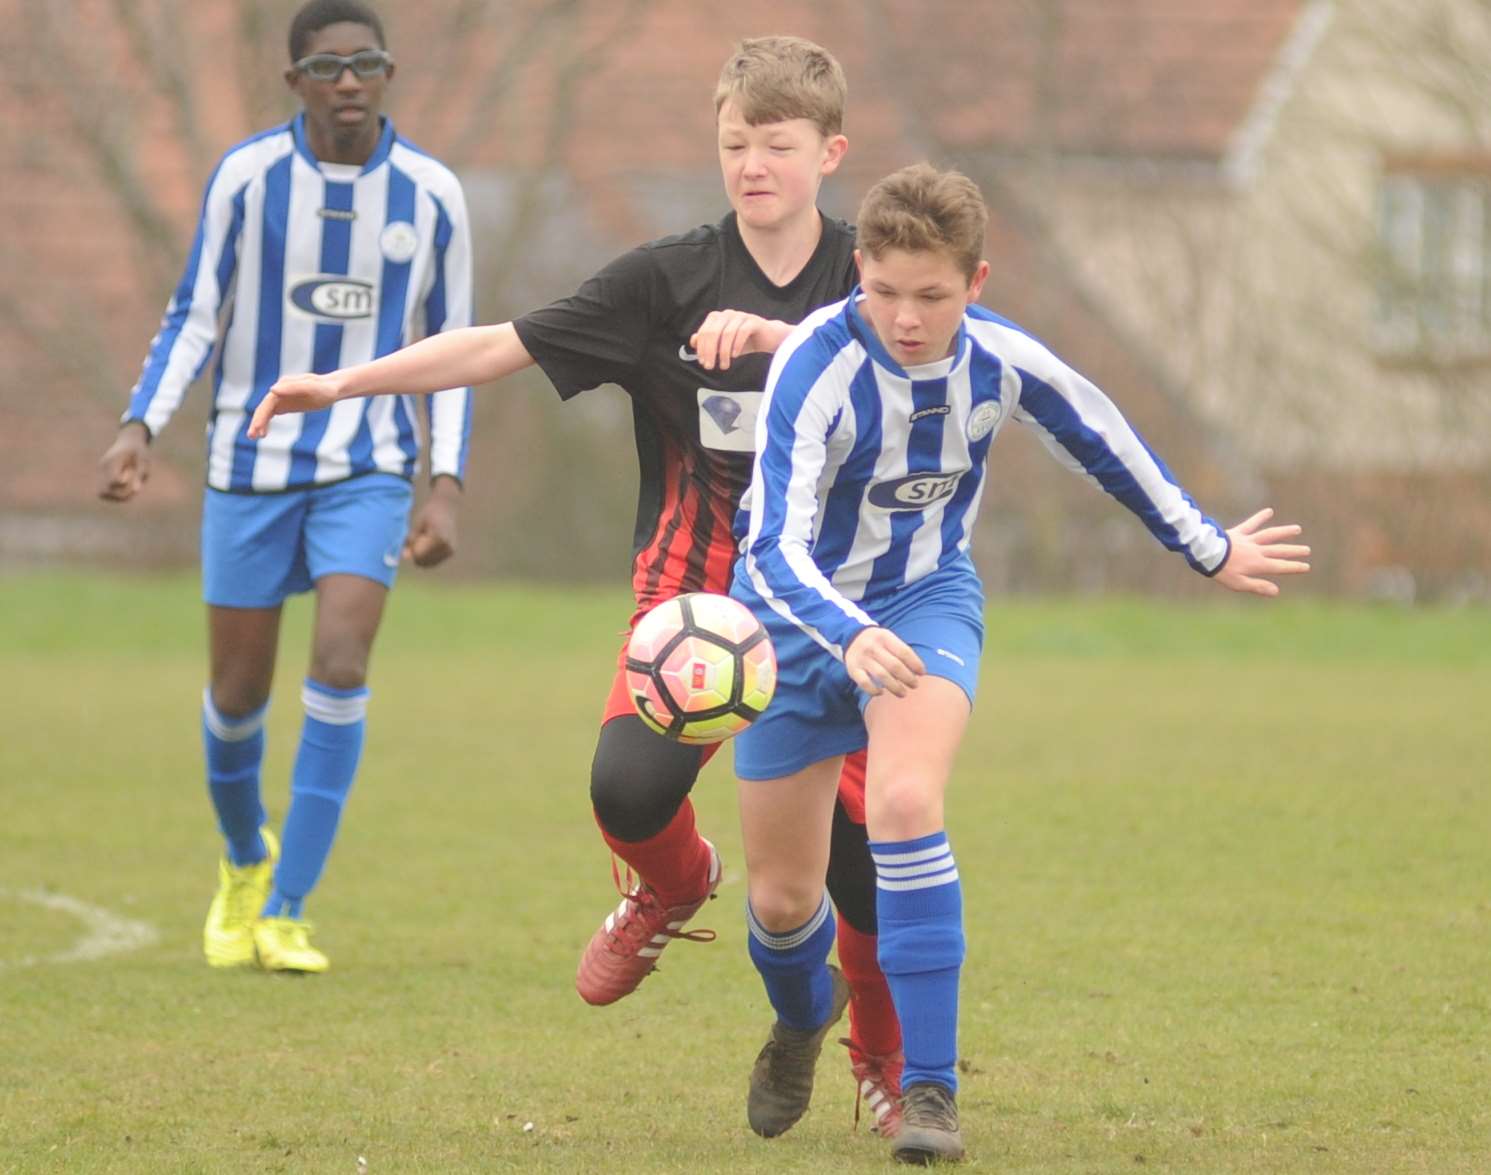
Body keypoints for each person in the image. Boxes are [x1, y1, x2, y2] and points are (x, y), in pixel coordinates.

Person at [247, 36, 905, 1131]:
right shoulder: (665, 279)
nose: (752, 163)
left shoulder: (863, 279)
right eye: (735, 141)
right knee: (626, 792)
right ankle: (674, 885)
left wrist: (790, 339)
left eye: (777, 145)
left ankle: (883, 1064)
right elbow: (500, 344)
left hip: (837, 612)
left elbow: (929, 359)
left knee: (861, 876)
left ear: (829, 152)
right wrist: (347, 382)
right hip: (695, 600)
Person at [729, 162, 1312, 1163]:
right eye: (885, 290)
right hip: (793, 623)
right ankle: (800, 1013)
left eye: (933, 296)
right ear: (857, 268)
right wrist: (844, 630)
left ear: (978, 281)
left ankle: (932, 1091)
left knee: (907, 802)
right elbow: (769, 546)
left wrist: (1206, 545)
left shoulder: (1002, 363)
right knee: (784, 901)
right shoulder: (814, 367)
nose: (906, 317)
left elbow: (1107, 441)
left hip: (923, 604)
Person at [96, 0, 472, 975]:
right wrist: (141, 426)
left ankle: (289, 906)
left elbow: (455, 349)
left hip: (369, 464)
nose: (349, 80)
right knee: (236, 693)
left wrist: (446, 482)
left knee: (342, 663)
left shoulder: (432, 195)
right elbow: (193, 315)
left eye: (367, 63)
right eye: (329, 65)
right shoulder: (247, 179)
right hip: (250, 467)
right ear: (295, 80)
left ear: (388, 75)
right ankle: (240, 859)